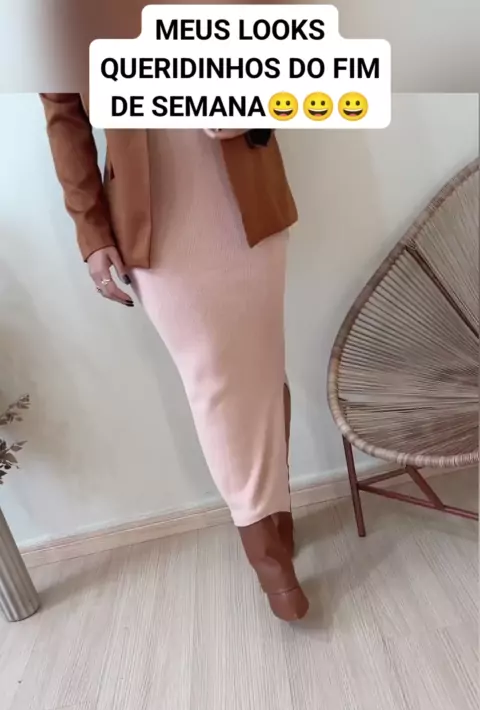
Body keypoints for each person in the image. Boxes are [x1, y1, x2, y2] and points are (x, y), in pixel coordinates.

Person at [40, 93, 309, 621]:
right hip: (152, 218)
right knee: (213, 383)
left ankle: (277, 514)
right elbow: (64, 117)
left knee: (262, 366)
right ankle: (268, 558)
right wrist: (91, 231)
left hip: (246, 188)